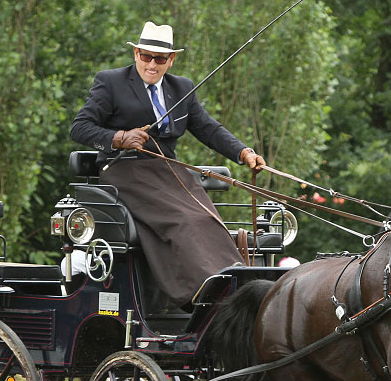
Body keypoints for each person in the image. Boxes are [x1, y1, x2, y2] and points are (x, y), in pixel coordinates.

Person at [71, 21, 266, 308]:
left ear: (170, 59)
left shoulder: (182, 87)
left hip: (170, 173)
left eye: (160, 59)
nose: (152, 64)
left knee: (208, 219)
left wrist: (243, 152)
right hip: (125, 170)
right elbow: (79, 128)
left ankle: (232, 283)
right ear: (136, 53)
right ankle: (198, 292)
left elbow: (208, 129)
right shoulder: (110, 82)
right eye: (146, 56)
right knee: (184, 221)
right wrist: (119, 137)